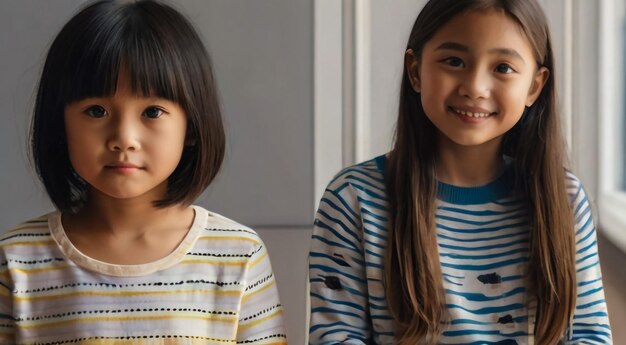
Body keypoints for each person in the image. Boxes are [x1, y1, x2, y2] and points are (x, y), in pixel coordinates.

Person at [308, 0, 612, 344]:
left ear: (534, 87)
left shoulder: (565, 199)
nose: (475, 87)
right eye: (454, 61)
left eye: (503, 68)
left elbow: (588, 335)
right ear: (415, 71)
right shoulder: (353, 198)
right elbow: (335, 337)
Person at [0, 1, 286, 343]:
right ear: (60, 123)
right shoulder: (16, 259)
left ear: (191, 126)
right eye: (96, 111)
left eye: (152, 111)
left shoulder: (238, 255)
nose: (123, 138)